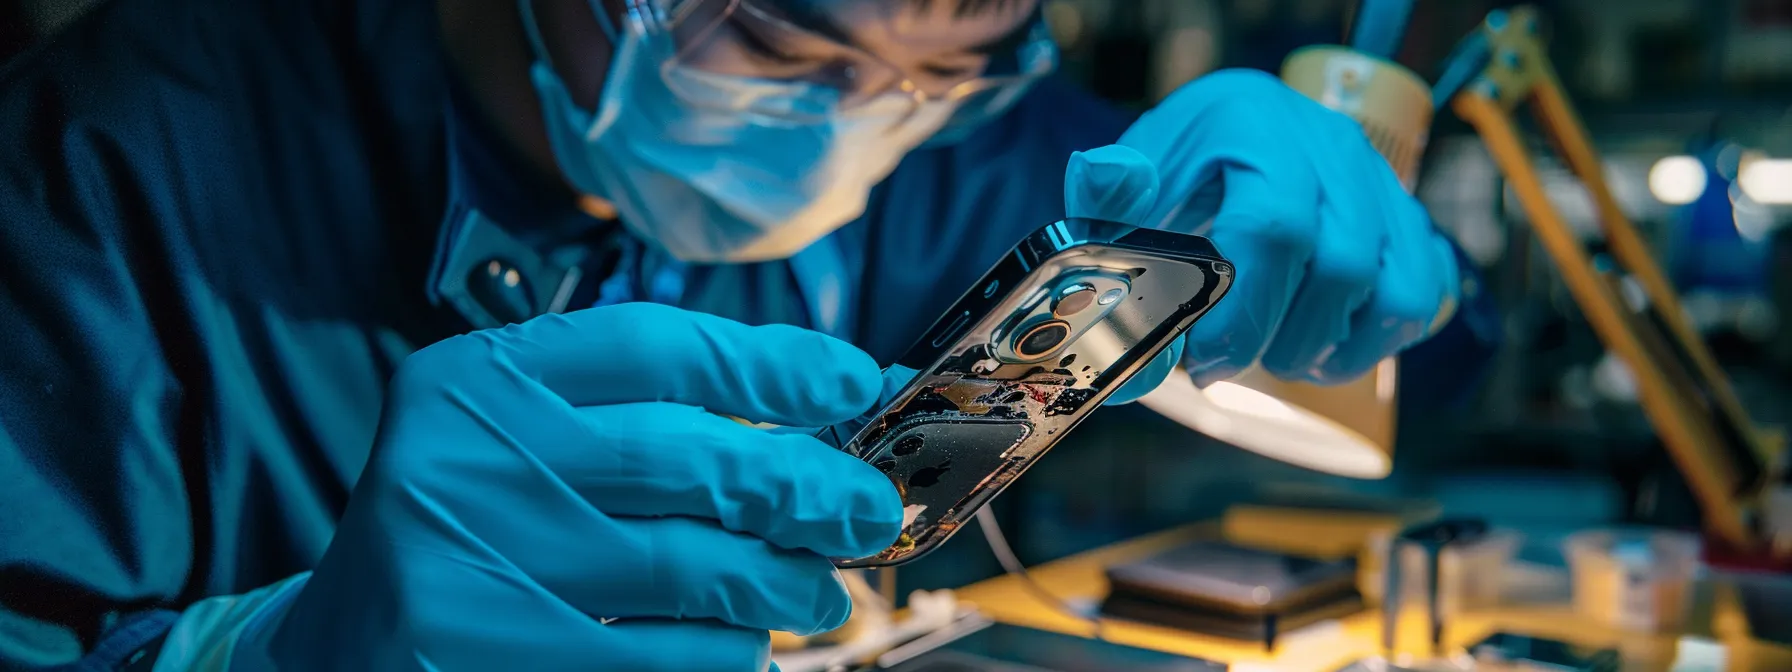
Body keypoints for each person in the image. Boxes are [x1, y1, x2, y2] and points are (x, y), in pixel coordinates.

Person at [0, 0, 1474, 669]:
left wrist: (1318, 188)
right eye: (775, 45)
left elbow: (1412, 375)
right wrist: (259, 655)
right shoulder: (124, 153)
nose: (856, 122)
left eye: (952, 60)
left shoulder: (953, 158)